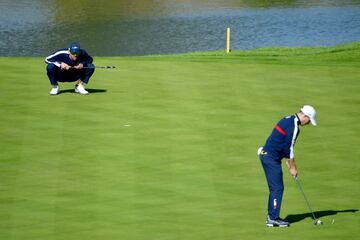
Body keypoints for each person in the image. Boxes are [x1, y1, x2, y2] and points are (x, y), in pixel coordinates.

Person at [258, 105, 317, 227]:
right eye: (309, 120)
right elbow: (289, 149)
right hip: (270, 158)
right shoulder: (294, 127)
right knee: (277, 188)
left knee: (276, 187)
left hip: (268, 154)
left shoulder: (288, 118)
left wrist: (287, 161)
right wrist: (293, 167)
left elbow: (281, 142)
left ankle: (272, 216)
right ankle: (272, 219)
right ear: (305, 116)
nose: (309, 123)